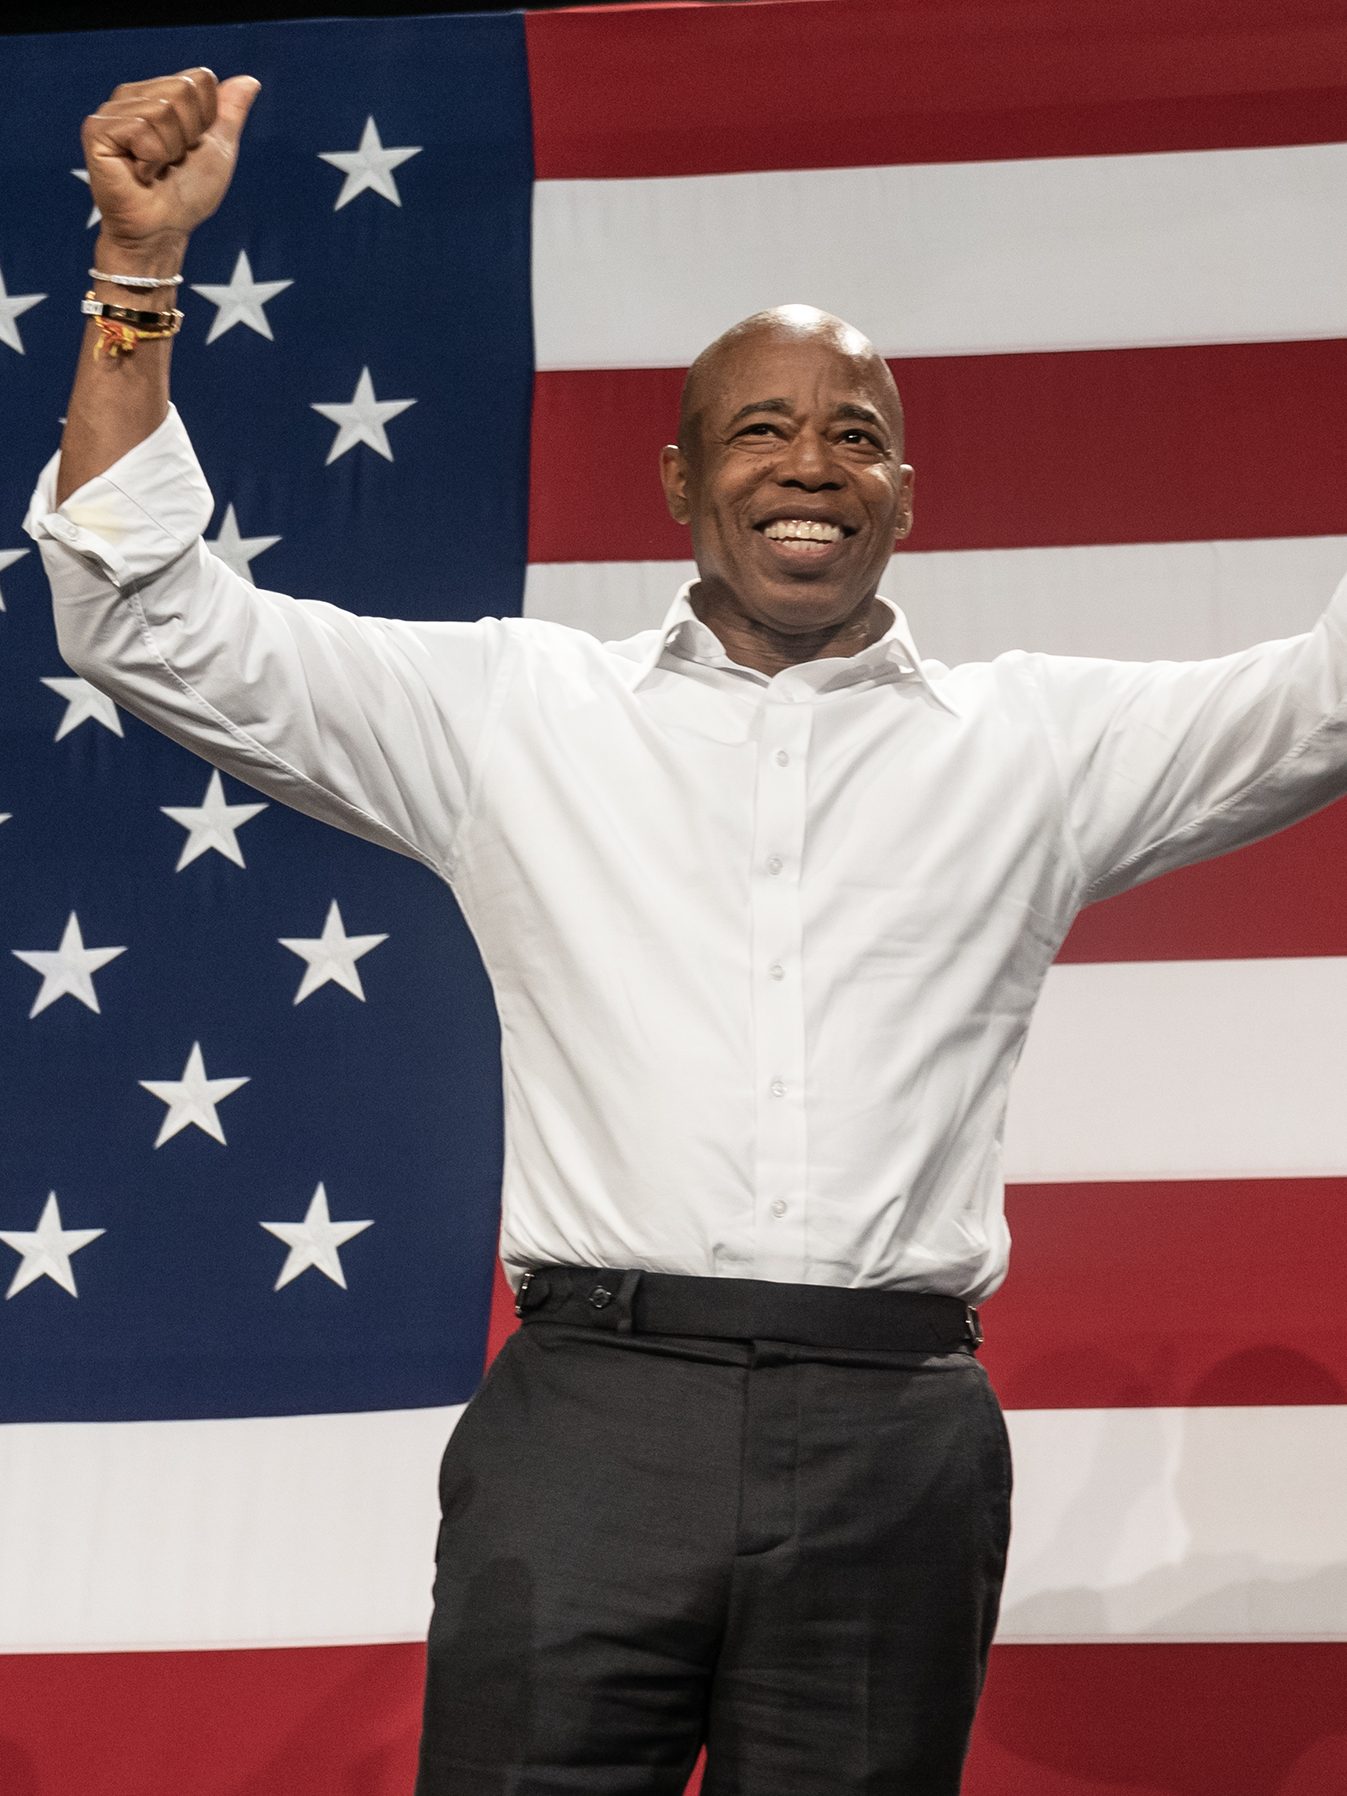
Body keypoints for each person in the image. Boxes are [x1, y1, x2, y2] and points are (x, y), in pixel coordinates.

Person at [27, 67, 1347, 1796]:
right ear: (676, 480)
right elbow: (143, 620)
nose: (812, 464)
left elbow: (1326, 700)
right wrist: (138, 274)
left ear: (906, 493)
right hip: (593, 1424)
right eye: (762, 428)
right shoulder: (519, 714)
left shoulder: (1036, 749)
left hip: (896, 1439)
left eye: (856, 433)